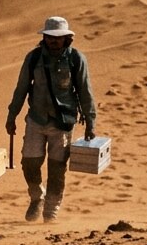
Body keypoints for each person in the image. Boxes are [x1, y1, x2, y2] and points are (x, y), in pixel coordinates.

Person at [5, 16, 97, 223]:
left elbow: (85, 91)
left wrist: (90, 123)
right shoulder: (34, 58)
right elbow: (21, 88)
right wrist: (12, 116)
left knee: (57, 168)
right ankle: (37, 197)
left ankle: (51, 208)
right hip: (36, 119)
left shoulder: (76, 59)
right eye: (49, 36)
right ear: (44, 37)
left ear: (66, 38)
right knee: (29, 163)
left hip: (63, 122)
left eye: (58, 37)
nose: (53, 40)